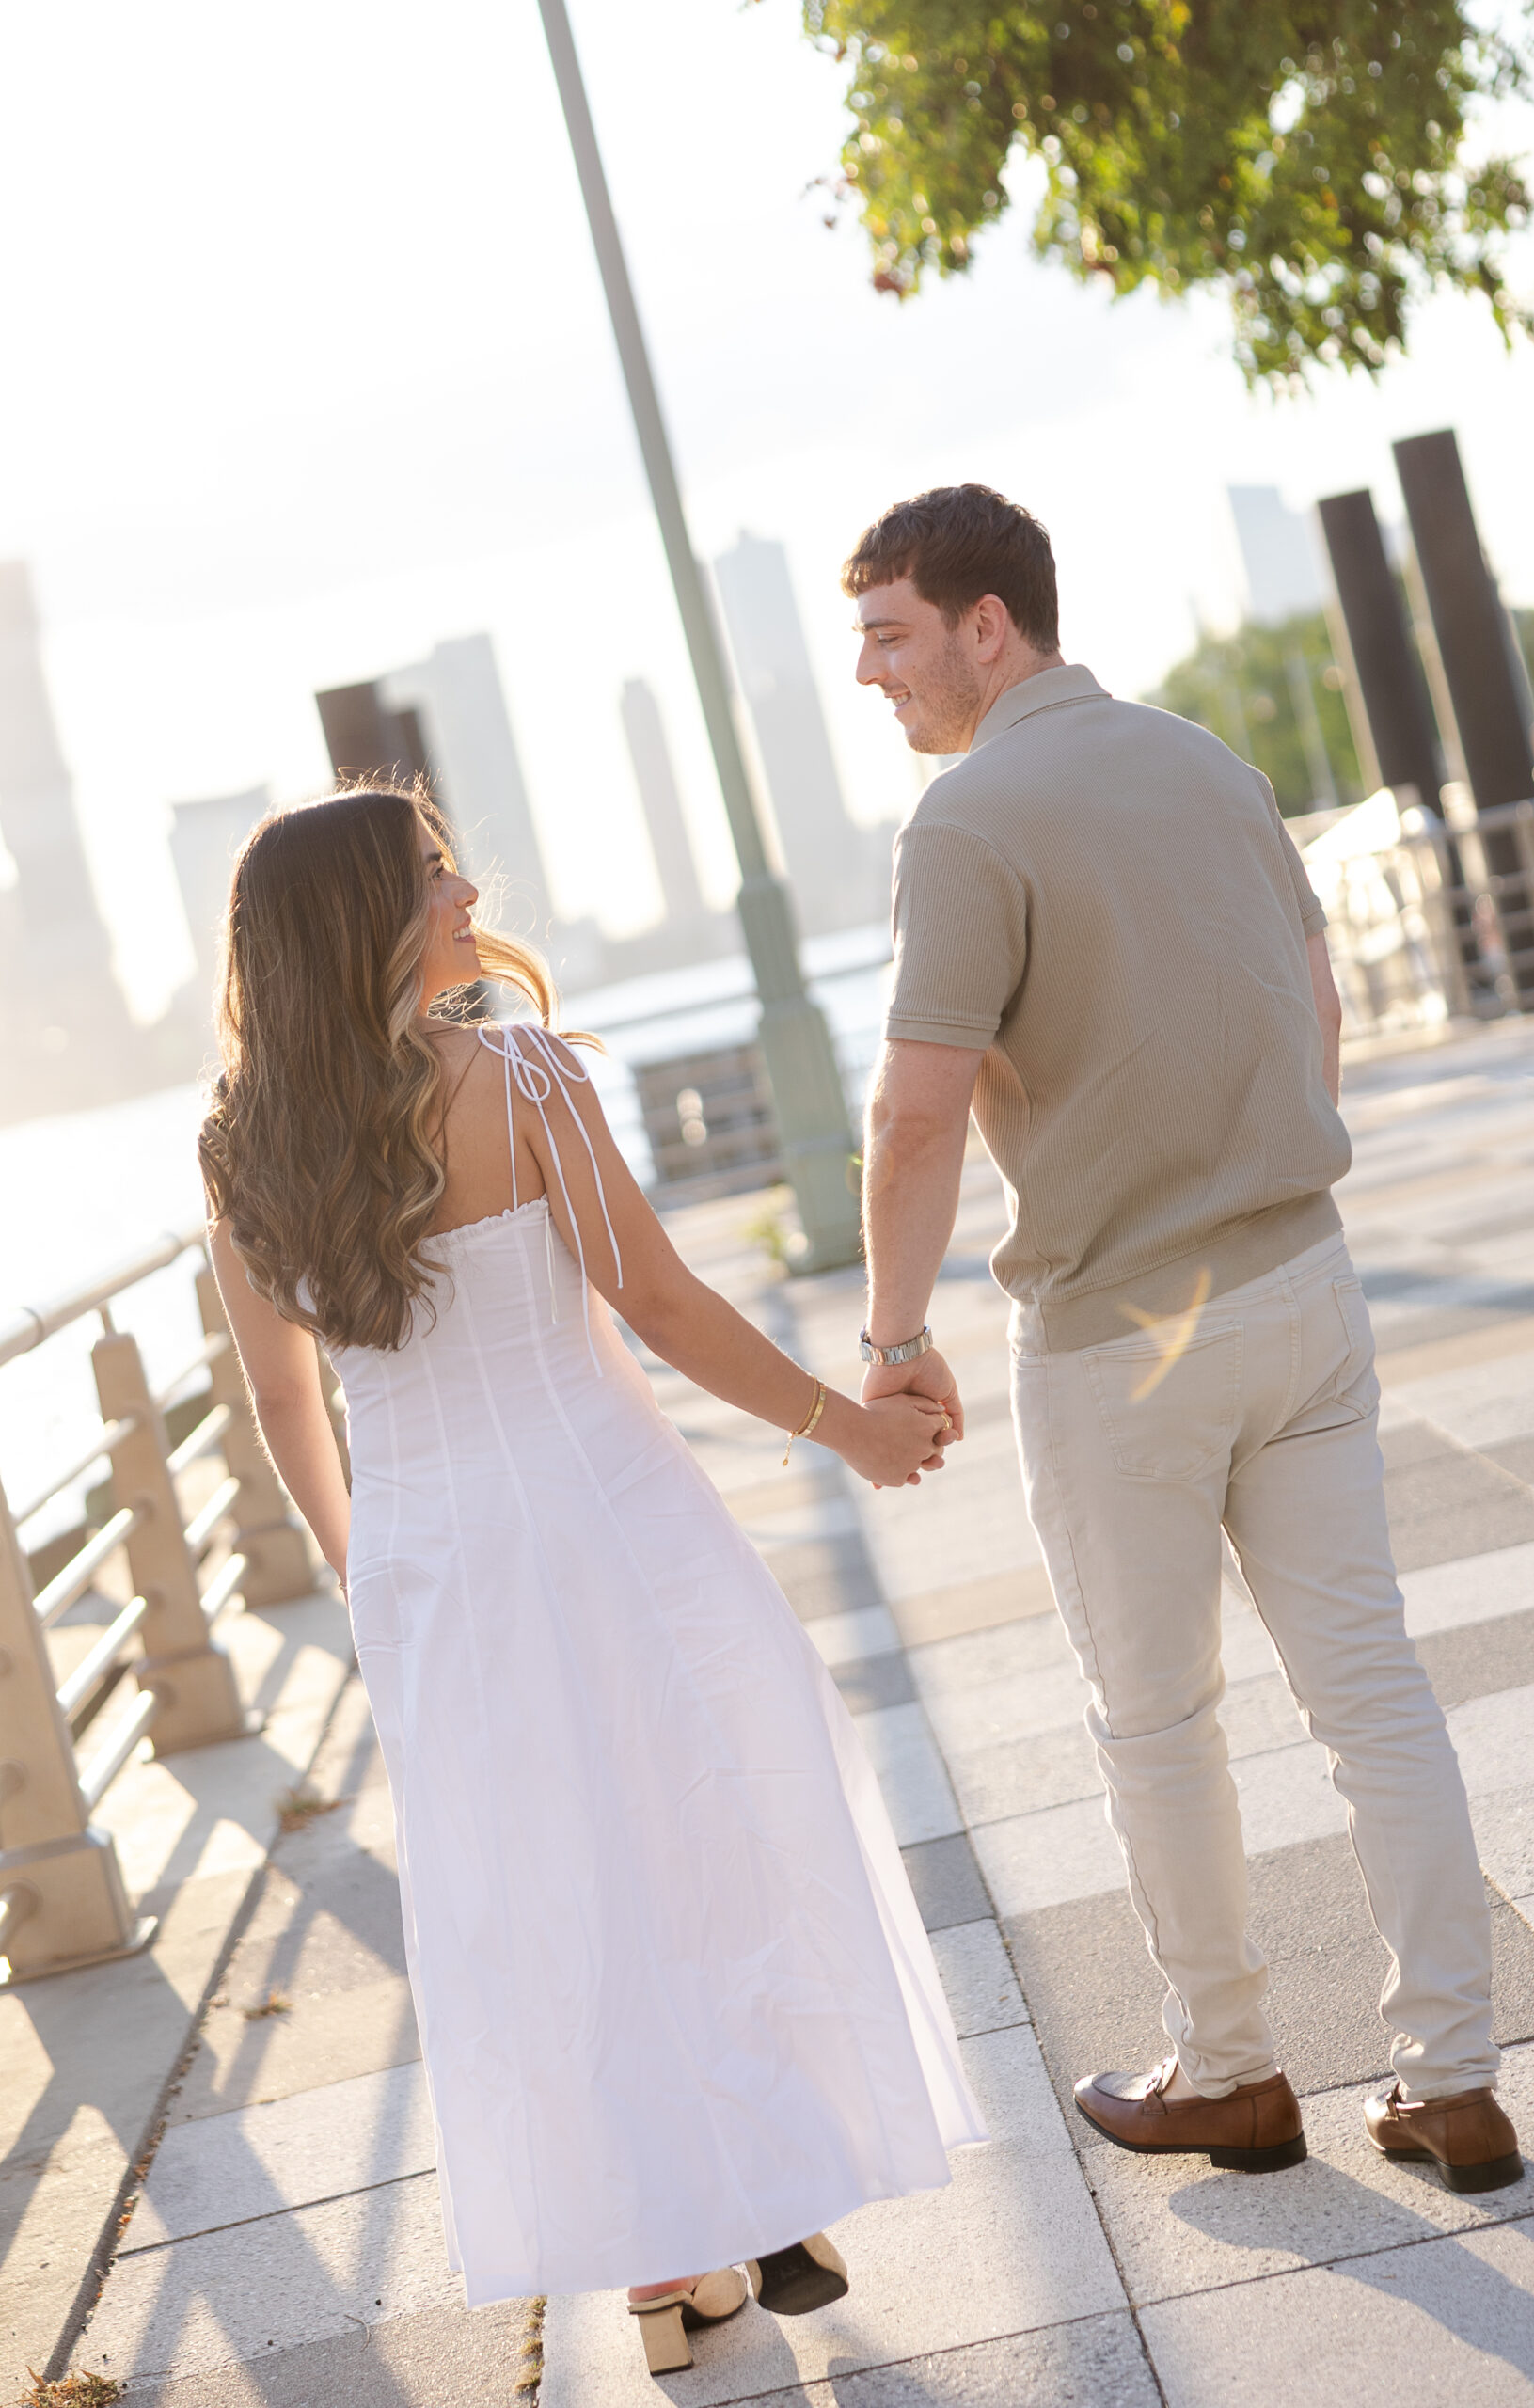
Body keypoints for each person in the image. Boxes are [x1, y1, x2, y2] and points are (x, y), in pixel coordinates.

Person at [199, 787, 986, 2378]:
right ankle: (760, 2196)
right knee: (712, 1828)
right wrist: (846, 1428)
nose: (468, 891)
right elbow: (661, 1303)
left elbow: (288, 1405)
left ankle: (664, 2264)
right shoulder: (519, 1077)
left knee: (544, 1896)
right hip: (611, 1515)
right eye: (434, 876)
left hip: (430, 1563)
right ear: (361, 920)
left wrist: (370, 1575)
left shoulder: (237, 1153)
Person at [845, 483, 1524, 2196]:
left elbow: (915, 1117)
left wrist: (892, 1336)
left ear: (987, 625)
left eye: (891, 635)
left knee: (1157, 1721)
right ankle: (1454, 2082)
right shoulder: (1211, 764)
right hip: (1305, 1287)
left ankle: (1229, 2074)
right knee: (1371, 1693)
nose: (870, 673)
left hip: (1121, 1336)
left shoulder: (965, 823)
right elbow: (1318, 1004)